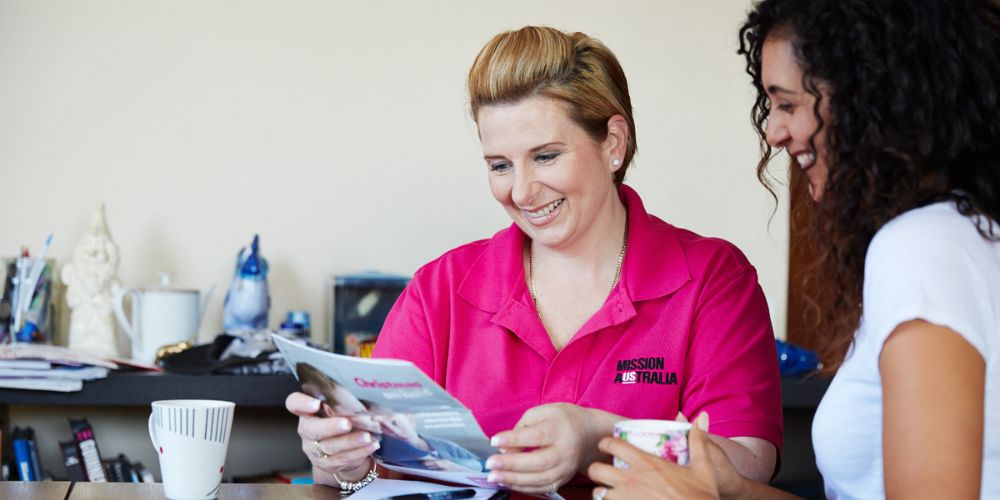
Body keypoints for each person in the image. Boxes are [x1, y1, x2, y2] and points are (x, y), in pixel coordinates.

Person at [286, 25, 783, 494]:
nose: (521, 191)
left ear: (613, 142)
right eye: (500, 165)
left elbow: (746, 461)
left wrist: (598, 435)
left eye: (545, 156)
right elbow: (373, 472)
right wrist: (345, 462)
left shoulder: (713, 279)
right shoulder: (439, 289)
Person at [589, 0, 1000, 498]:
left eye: (787, 104)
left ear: (870, 100)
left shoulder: (920, 248)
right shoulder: (958, 233)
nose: (774, 132)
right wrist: (729, 490)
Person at [296, 363, 483, 473]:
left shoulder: (443, 446)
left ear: (409, 418)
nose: (390, 429)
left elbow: (480, 466)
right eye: (382, 424)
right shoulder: (386, 447)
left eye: (393, 422)